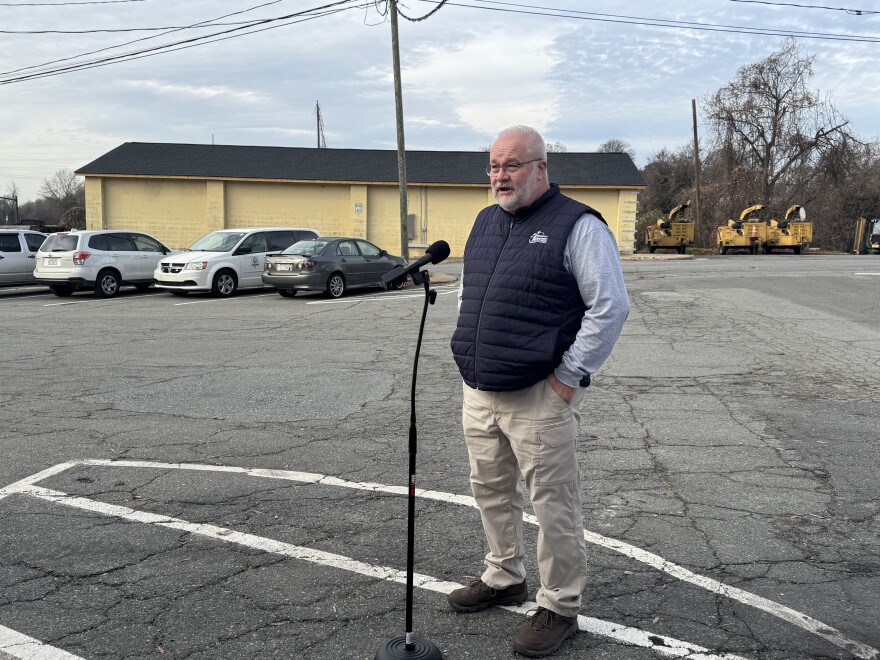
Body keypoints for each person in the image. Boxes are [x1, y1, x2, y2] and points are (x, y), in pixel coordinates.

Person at [448, 125, 630, 657]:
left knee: (553, 505)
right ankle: (504, 575)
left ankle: (559, 604)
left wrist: (568, 378)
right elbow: (469, 294)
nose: (500, 176)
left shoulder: (578, 225)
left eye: (512, 165)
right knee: (490, 489)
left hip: (539, 394)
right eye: (494, 166)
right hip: (480, 389)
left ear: (541, 168)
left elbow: (610, 306)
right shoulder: (485, 222)